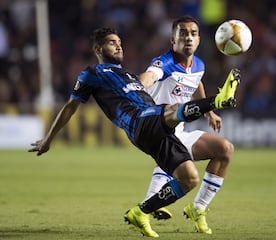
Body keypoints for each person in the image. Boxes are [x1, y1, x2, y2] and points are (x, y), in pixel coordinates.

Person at [28, 27, 241, 238]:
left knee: (189, 179)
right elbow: (70, 108)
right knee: (171, 109)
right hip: (137, 121)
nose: (119, 45)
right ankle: (218, 99)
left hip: (156, 128)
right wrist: (48, 139)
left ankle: (141, 212)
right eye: (112, 42)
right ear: (97, 48)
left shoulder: (128, 74)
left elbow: (185, 81)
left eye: (119, 42)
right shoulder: (91, 74)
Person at [139, 15, 234, 235]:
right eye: (182, 33)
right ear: (173, 41)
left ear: (199, 40)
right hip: (153, 127)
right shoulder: (165, 63)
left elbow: (196, 81)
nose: (188, 38)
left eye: (192, 33)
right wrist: (140, 84)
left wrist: (209, 112)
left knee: (225, 150)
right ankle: (151, 204)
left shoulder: (198, 65)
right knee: (177, 159)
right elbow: (151, 75)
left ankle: (197, 208)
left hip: (175, 131)